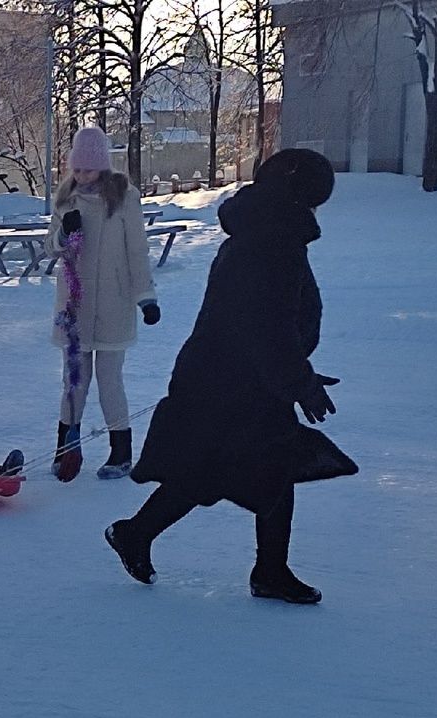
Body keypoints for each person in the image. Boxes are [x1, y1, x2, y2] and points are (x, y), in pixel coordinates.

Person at [104, 148, 357, 604]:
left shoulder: (264, 232)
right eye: (314, 201)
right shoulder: (272, 241)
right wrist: (298, 380)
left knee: (221, 468)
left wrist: (298, 372)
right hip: (232, 385)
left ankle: (141, 534)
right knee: (253, 466)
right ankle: (266, 570)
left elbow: (269, 324)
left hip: (232, 380)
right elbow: (267, 324)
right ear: (299, 198)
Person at [44, 125, 161, 483]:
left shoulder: (124, 198)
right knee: (73, 381)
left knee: (110, 380)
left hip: (114, 303)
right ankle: (67, 449)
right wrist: (65, 231)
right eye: (76, 169)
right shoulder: (66, 199)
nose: (81, 176)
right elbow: (52, 247)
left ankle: (121, 451)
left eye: (88, 169)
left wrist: (146, 298)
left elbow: (136, 252)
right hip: (75, 306)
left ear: (103, 167)